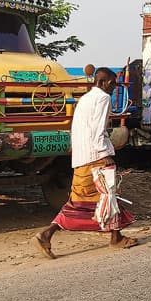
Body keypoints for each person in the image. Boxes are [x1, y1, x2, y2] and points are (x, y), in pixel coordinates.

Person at [33, 67, 137, 258]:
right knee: (105, 197)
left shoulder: (85, 99)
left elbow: (78, 126)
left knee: (95, 199)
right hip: (94, 157)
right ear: (102, 82)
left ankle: (116, 236)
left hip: (82, 157)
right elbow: (97, 129)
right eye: (111, 84)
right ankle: (47, 234)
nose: (113, 88)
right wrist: (103, 154)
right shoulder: (103, 98)